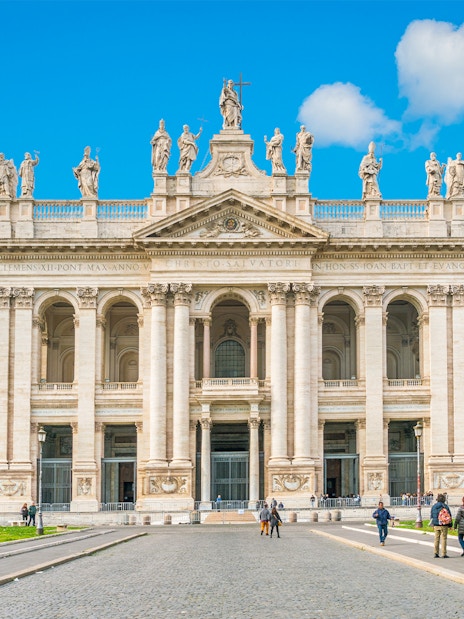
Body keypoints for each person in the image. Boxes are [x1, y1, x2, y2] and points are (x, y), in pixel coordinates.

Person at [430, 493, 453, 558]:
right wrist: (450, 525)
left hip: (436, 525)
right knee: (444, 539)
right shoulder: (445, 506)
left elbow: (432, 516)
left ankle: (436, 553)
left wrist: (433, 524)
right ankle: (443, 553)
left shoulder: (434, 506)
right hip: (444, 524)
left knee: (436, 539)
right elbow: (449, 516)